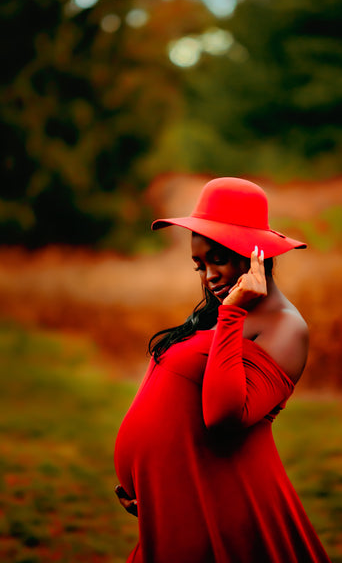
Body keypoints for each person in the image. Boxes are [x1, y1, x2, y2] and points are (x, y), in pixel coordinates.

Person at [114, 177, 331, 563]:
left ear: (255, 255)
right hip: (180, 494)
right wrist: (150, 481)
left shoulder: (286, 327)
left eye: (218, 259)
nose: (208, 275)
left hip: (223, 498)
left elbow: (223, 416)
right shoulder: (210, 314)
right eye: (199, 264)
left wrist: (232, 313)